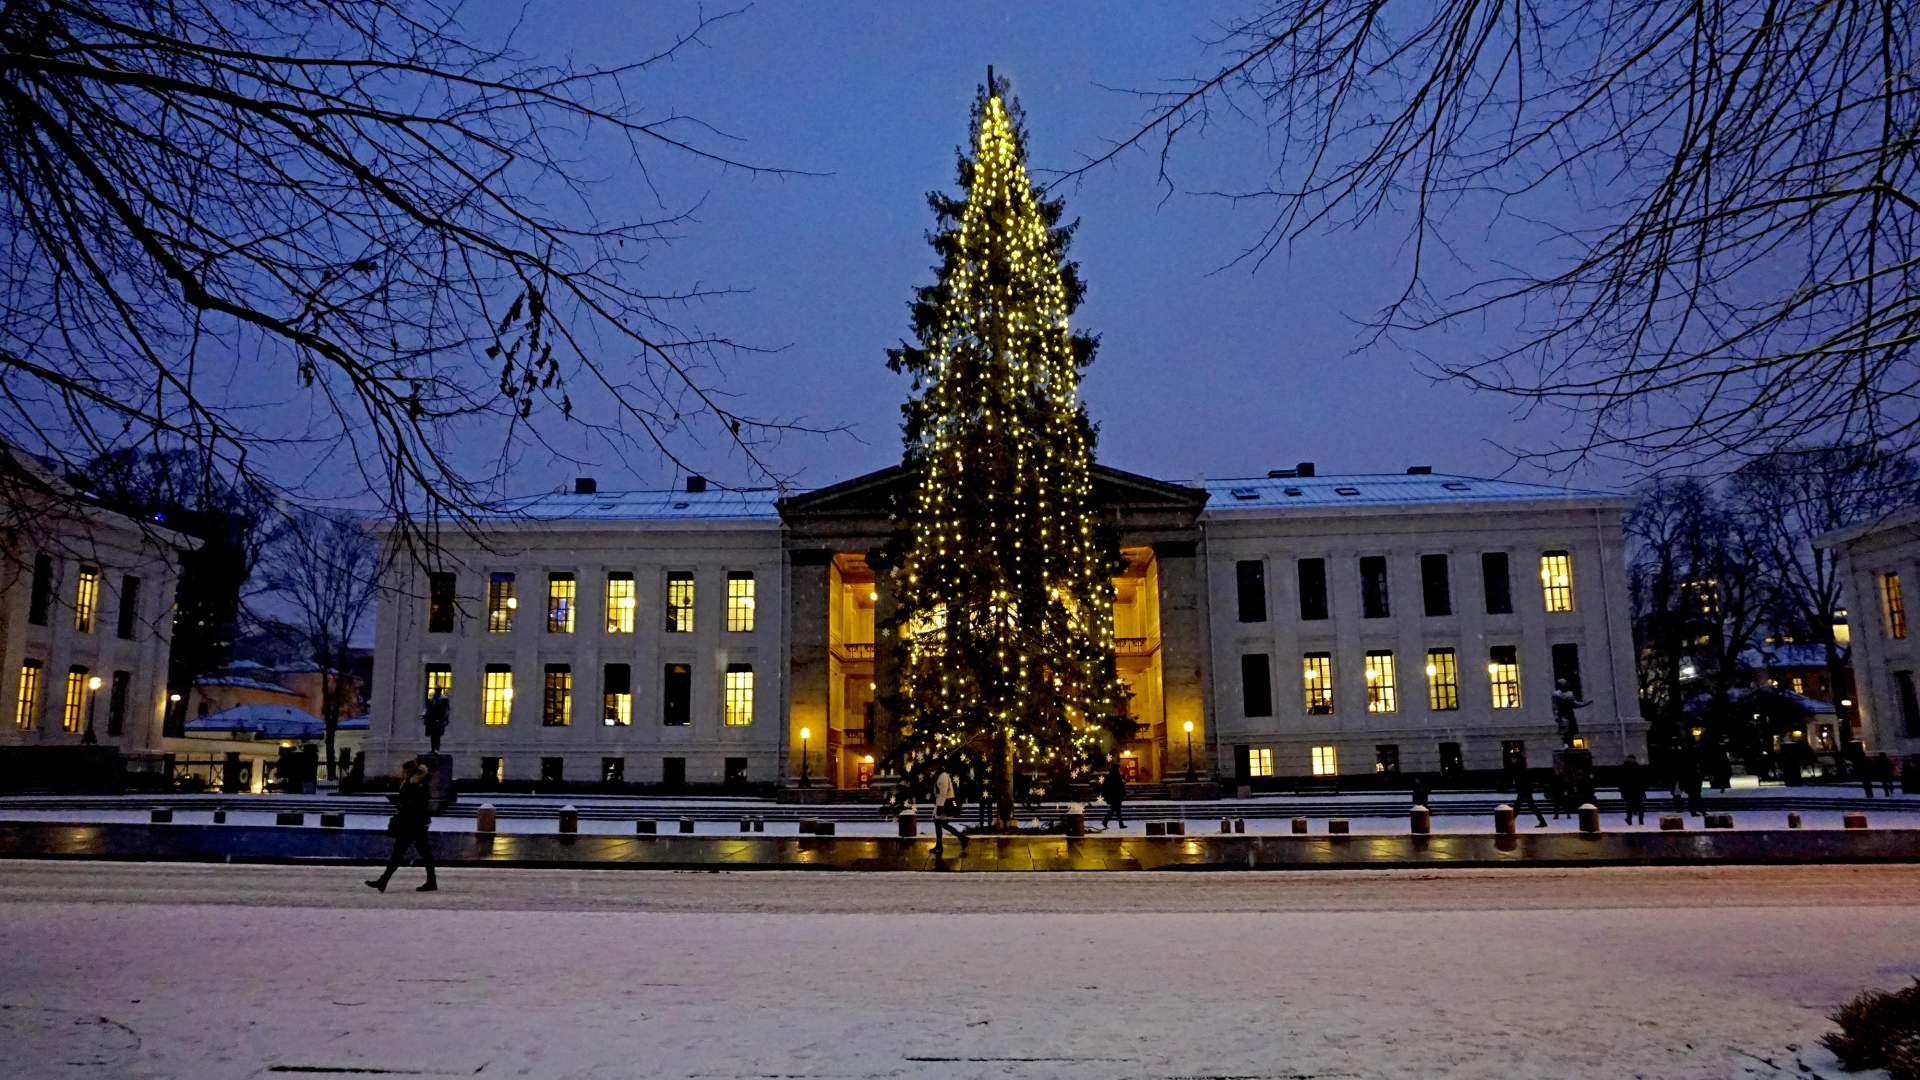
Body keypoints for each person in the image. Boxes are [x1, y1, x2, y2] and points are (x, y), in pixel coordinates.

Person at [366, 759, 437, 893]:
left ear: (409, 770)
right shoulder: (414, 782)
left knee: (399, 853)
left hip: (412, 824)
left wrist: (403, 803)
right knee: (423, 854)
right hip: (414, 823)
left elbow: (418, 802)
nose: (402, 773)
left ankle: (383, 881)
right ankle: (431, 881)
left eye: (404, 771)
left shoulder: (417, 783)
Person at [931, 766, 967, 855]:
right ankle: (939, 846)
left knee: (941, 824)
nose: (932, 769)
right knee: (940, 824)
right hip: (941, 803)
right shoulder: (940, 775)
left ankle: (961, 838)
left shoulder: (943, 776)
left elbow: (943, 792)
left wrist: (940, 806)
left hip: (944, 804)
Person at [1551, 679, 1590, 748]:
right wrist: (1556, 715)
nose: (1565, 685)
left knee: (1571, 730)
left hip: (1570, 714)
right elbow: (1554, 706)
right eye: (1564, 683)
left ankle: (1571, 745)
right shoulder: (1556, 694)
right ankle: (1565, 744)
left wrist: (1585, 703)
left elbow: (1575, 704)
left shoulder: (1570, 694)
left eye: (1565, 683)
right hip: (1562, 714)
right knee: (1565, 730)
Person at [1619, 755, 1647, 825]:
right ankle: (1629, 819)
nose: (1631, 761)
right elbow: (1622, 781)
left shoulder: (1637, 767)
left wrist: (1643, 791)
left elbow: (1641, 780)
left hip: (1637, 790)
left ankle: (1640, 820)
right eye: (1630, 759)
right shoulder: (1625, 768)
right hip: (1629, 790)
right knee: (1630, 806)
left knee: (1640, 807)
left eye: (1632, 759)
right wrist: (1622, 792)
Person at [1100, 759, 1127, 829]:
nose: (1119, 769)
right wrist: (1123, 794)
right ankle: (1106, 821)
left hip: (1115, 796)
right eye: (1118, 768)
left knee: (1116, 810)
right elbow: (1120, 786)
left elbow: (1121, 786)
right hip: (1115, 796)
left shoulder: (1112, 776)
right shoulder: (1115, 776)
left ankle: (1119, 824)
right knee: (1115, 810)